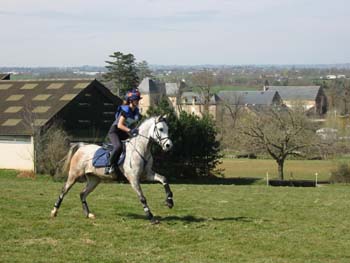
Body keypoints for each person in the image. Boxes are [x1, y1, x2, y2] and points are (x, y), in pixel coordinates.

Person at [105, 88, 142, 174]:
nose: (138, 101)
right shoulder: (125, 110)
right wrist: (130, 130)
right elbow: (120, 125)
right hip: (115, 132)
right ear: (131, 101)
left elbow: (134, 124)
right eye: (136, 100)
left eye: (138, 100)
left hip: (124, 132)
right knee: (118, 147)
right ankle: (109, 166)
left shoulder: (135, 111)